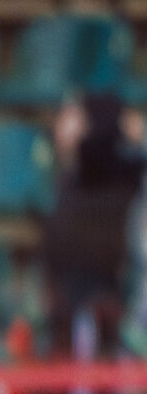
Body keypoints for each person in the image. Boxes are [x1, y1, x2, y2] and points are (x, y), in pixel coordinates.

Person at [41, 92, 147, 362]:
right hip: (74, 302)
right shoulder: (69, 180)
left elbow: (99, 146)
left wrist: (122, 124)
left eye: (77, 116)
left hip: (116, 299)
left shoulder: (126, 171)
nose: (64, 126)